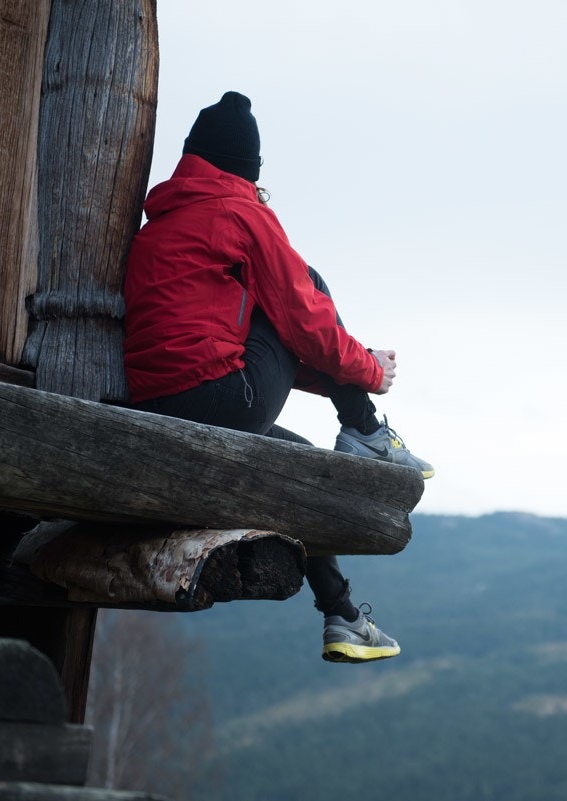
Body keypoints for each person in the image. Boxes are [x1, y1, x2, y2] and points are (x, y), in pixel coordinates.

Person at [122, 91, 432, 664]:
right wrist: (368, 371)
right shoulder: (243, 215)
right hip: (227, 398)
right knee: (306, 278)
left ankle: (341, 618)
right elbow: (304, 320)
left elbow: (241, 340)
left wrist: (355, 364)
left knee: (304, 467)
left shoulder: (157, 229)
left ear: (193, 157)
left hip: (164, 404)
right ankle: (365, 428)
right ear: (248, 169)